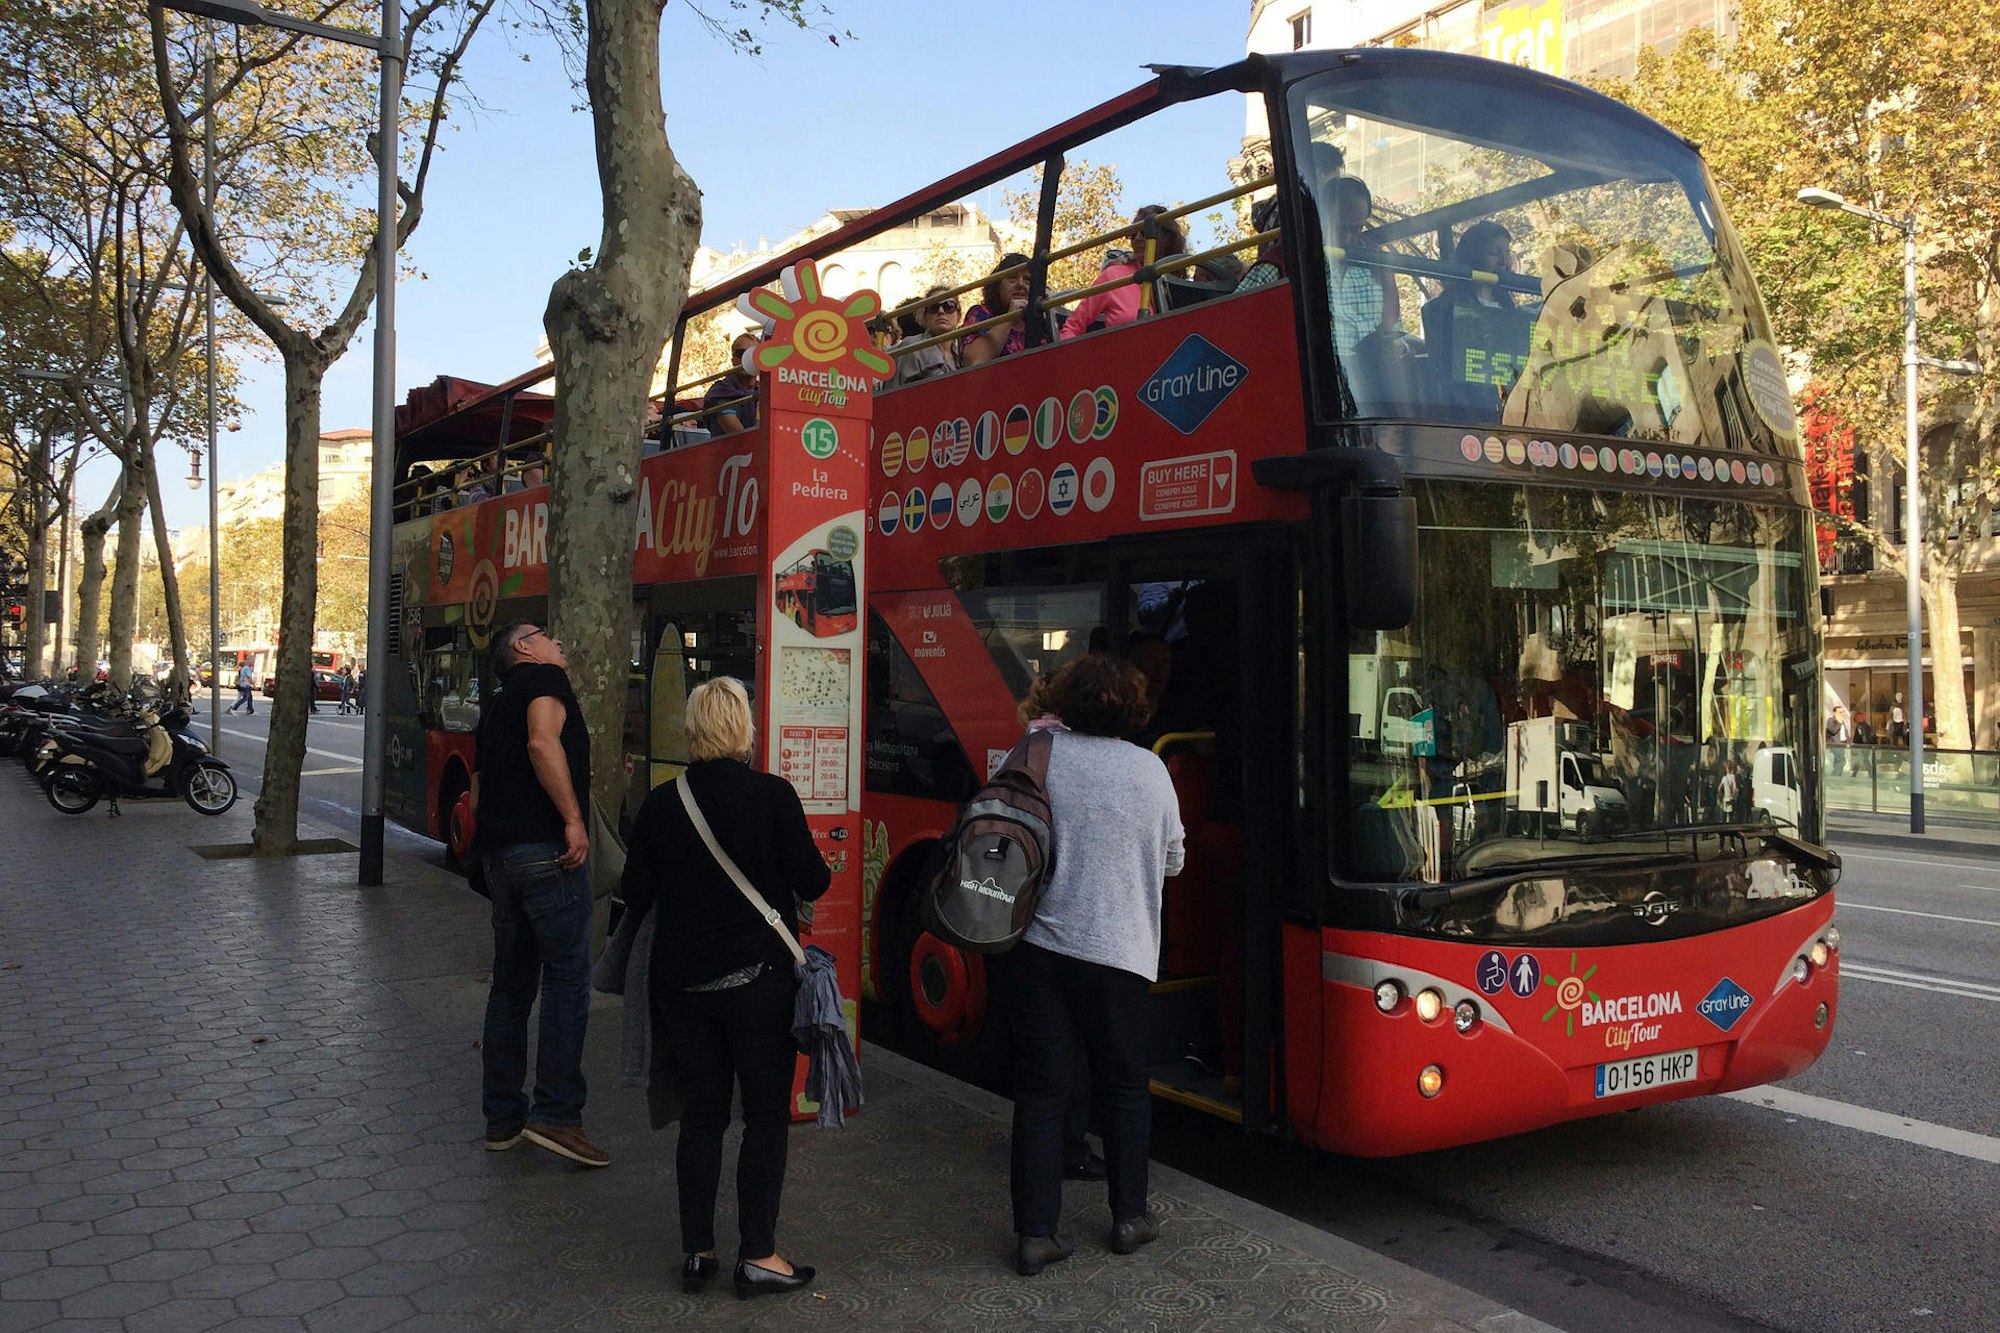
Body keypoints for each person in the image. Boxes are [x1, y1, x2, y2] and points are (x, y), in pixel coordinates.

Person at [621, 677, 829, 1298]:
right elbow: (813, 880)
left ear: (691, 731)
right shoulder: (773, 795)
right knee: (765, 1116)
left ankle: (698, 1252)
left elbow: (635, 892)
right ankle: (759, 1255)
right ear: (744, 729)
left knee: (703, 1115)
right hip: (759, 984)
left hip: (682, 986)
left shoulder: (663, 803)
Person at [1008, 653, 1184, 1278]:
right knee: (1125, 1087)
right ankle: (1129, 1217)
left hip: (1041, 950)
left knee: (1041, 1094)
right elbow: (1174, 861)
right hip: (1121, 954)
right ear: (1134, 711)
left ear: (1067, 700)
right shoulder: (1151, 770)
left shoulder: (1038, 754)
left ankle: (1036, 1235)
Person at [471, 621, 608, 1169]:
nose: (559, 642)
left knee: (510, 986)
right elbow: (542, 742)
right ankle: (557, 1113)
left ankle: (502, 1118)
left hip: (500, 856)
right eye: (546, 634)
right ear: (524, 649)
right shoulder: (544, 679)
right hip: (546, 852)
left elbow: (478, 790)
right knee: (568, 976)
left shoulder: (494, 704)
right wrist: (572, 820)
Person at [1057, 205, 1187, 340]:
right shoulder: (1114, 277)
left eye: (1145, 232)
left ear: (1167, 239)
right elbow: (1071, 328)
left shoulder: (1181, 283)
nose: (1137, 238)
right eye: (1132, 234)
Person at [958, 254, 1032, 368]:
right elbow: (975, 361)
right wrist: (1010, 317)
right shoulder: (980, 314)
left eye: (1027, 280)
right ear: (998, 286)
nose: (1021, 284)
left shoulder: (1041, 320)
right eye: (1012, 278)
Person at [893, 285, 962, 386]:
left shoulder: (963, 352)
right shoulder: (912, 347)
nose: (941, 311)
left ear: (958, 316)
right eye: (933, 307)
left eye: (949, 306)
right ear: (925, 316)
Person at [704, 333, 761, 435]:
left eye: (752, 353)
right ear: (733, 360)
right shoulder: (720, 392)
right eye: (740, 353)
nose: (745, 359)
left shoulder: (766, 389)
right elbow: (739, 436)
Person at [1825, 704, 1850, 775]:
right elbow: (1832, 730)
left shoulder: (1842, 721)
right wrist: (1839, 722)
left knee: (1838, 761)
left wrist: (1848, 742)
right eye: (1840, 712)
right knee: (1841, 761)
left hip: (1842, 744)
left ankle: (1837, 775)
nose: (1842, 714)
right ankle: (1835, 775)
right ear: (1835, 713)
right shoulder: (1831, 720)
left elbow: (1845, 733)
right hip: (1835, 744)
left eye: (1843, 712)